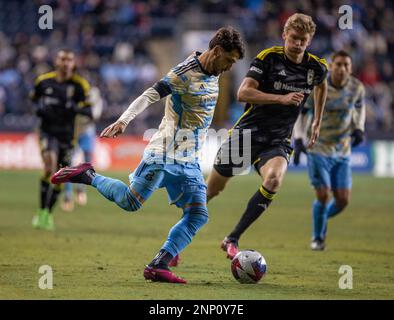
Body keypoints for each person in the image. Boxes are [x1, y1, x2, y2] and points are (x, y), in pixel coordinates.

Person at [51, 27, 245, 283]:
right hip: (164, 153)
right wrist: (124, 120)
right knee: (131, 202)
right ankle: (88, 176)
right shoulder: (183, 73)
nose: (230, 67)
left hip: (189, 159)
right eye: (229, 60)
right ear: (218, 51)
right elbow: (150, 94)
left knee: (198, 215)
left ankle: (159, 264)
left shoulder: (214, 69)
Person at [206, 13, 328, 259]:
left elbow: (322, 85)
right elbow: (243, 92)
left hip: (277, 140)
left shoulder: (316, 67)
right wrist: (280, 98)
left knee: (273, 180)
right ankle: (174, 242)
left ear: (310, 40)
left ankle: (232, 238)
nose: (298, 44)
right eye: (293, 38)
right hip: (247, 134)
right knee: (210, 192)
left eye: (303, 40)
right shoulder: (268, 58)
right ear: (284, 35)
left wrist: (317, 120)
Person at [293, 50, 366, 250]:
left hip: (342, 150)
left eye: (346, 65)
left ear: (350, 68)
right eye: (339, 64)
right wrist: (298, 139)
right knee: (323, 195)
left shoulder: (356, 88)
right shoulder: (319, 86)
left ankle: (320, 217)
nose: (342, 69)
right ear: (331, 66)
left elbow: (360, 108)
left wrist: (359, 128)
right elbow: (301, 113)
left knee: (342, 200)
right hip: (317, 147)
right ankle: (318, 238)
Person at [30, 49, 92, 230]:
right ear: (56, 61)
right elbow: (33, 99)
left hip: (67, 135)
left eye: (69, 60)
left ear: (73, 64)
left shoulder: (80, 86)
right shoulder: (43, 82)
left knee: (59, 176)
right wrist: (39, 109)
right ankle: (41, 211)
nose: (66, 63)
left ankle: (47, 214)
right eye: (63, 59)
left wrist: (75, 108)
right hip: (47, 132)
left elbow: (90, 111)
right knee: (49, 167)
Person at [61, 86, 103, 211]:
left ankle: (80, 189)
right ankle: (68, 195)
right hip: (71, 131)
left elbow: (94, 115)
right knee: (67, 163)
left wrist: (76, 109)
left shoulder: (96, 98)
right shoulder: (70, 94)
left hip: (86, 131)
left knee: (87, 162)